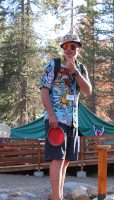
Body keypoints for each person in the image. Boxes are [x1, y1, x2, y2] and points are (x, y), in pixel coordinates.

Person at [40, 33, 92, 200]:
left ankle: (59, 196)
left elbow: (88, 91)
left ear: (78, 48)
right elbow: (44, 91)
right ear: (62, 48)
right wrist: (51, 115)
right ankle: (57, 197)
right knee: (57, 159)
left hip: (73, 121)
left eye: (73, 46)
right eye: (66, 46)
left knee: (66, 160)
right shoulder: (53, 65)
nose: (69, 49)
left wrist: (74, 72)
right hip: (56, 120)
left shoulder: (81, 68)